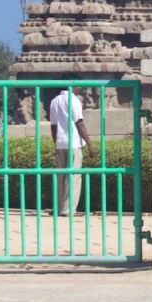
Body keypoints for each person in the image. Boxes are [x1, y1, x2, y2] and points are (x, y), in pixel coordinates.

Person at [48, 88, 94, 216]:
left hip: (60, 142)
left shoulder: (54, 101)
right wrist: (90, 144)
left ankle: (59, 207)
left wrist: (56, 143)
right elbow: (79, 124)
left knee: (61, 177)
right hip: (73, 142)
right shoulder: (74, 100)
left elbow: (53, 126)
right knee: (73, 177)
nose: (80, 87)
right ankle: (68, 210)